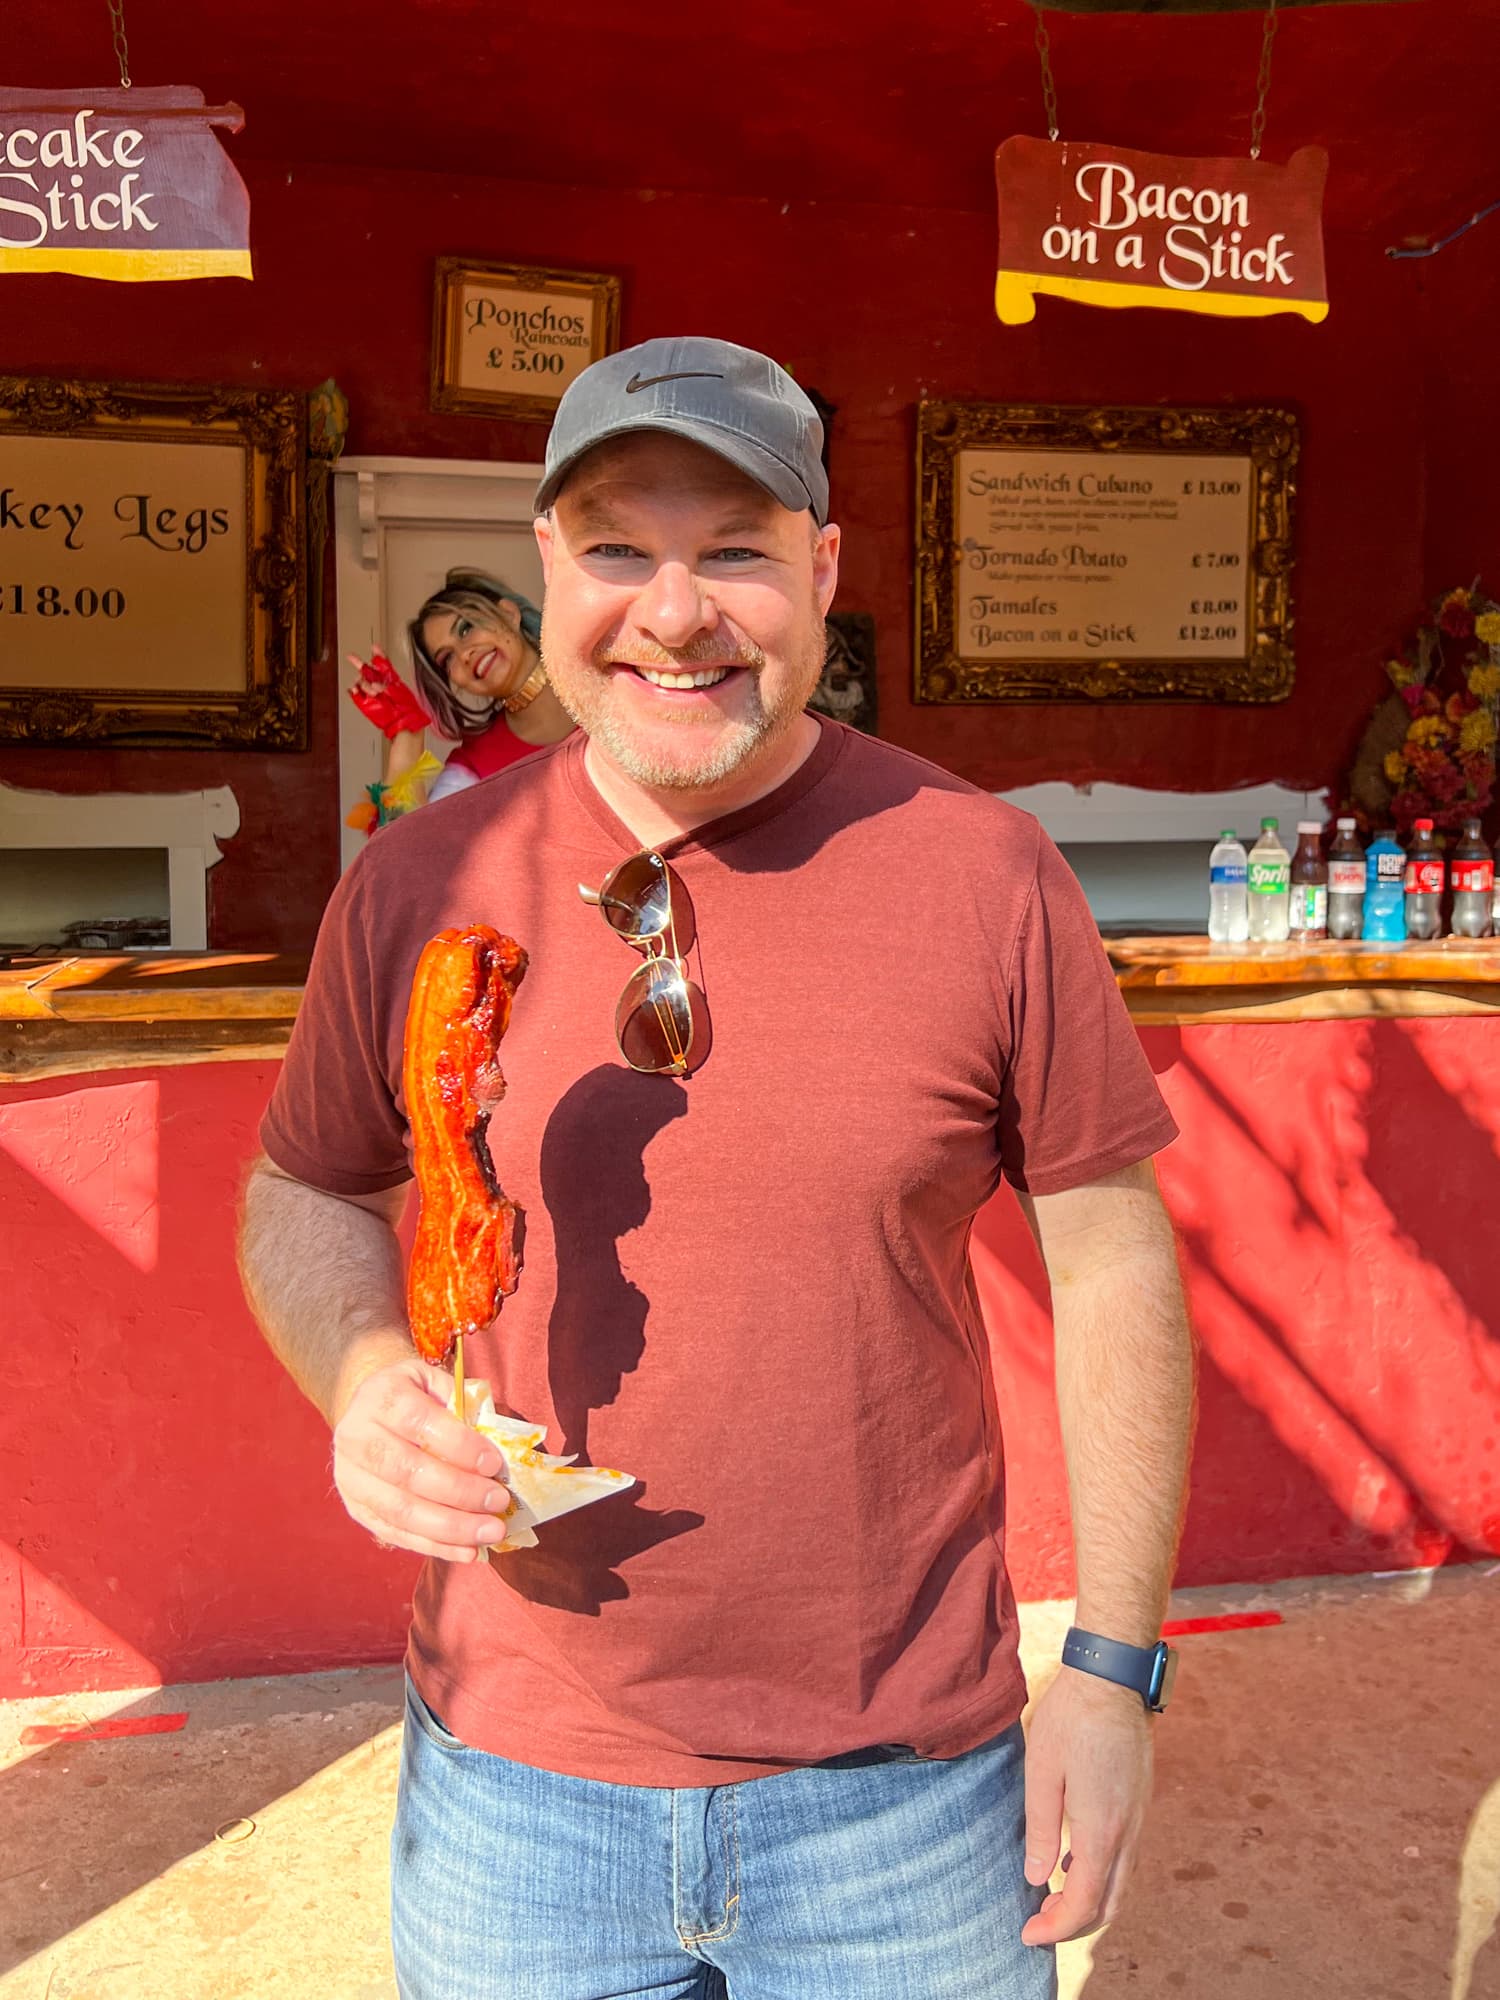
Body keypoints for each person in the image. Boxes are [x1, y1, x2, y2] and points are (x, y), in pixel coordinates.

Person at [239, 336, 1194, 2000]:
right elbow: (309, 1187)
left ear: (822, 569)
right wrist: (367, 1372)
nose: (672, 613)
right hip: (513, 1794)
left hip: (902, 1798)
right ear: (549, 567)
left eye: (735, 549)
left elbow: (1113, 1258)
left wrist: (1110, 1676)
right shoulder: (416, 880)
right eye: (617, 546)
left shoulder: (985, 875)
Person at [348, 569, 575, 815]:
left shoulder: (609, 683)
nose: (464, 654)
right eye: (447, 658)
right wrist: (406, 736)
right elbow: (403, 850)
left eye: (466, 629)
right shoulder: (474, 764)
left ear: (509, 614)